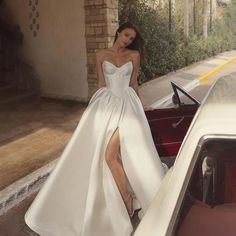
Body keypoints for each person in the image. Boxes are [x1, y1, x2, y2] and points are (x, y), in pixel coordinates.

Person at [25, 22, 167, 236]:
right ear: (118, 32)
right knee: (106, 156)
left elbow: (134, 83)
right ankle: (125, 198)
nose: (128, 40)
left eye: (131, 38)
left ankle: (127, 200)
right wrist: (93, 110)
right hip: (107, 105)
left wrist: (141, 109)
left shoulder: (134, 56)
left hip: (128, 108)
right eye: (126, 35)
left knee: (111, 155)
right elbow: (101, 83)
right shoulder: (100, 54)